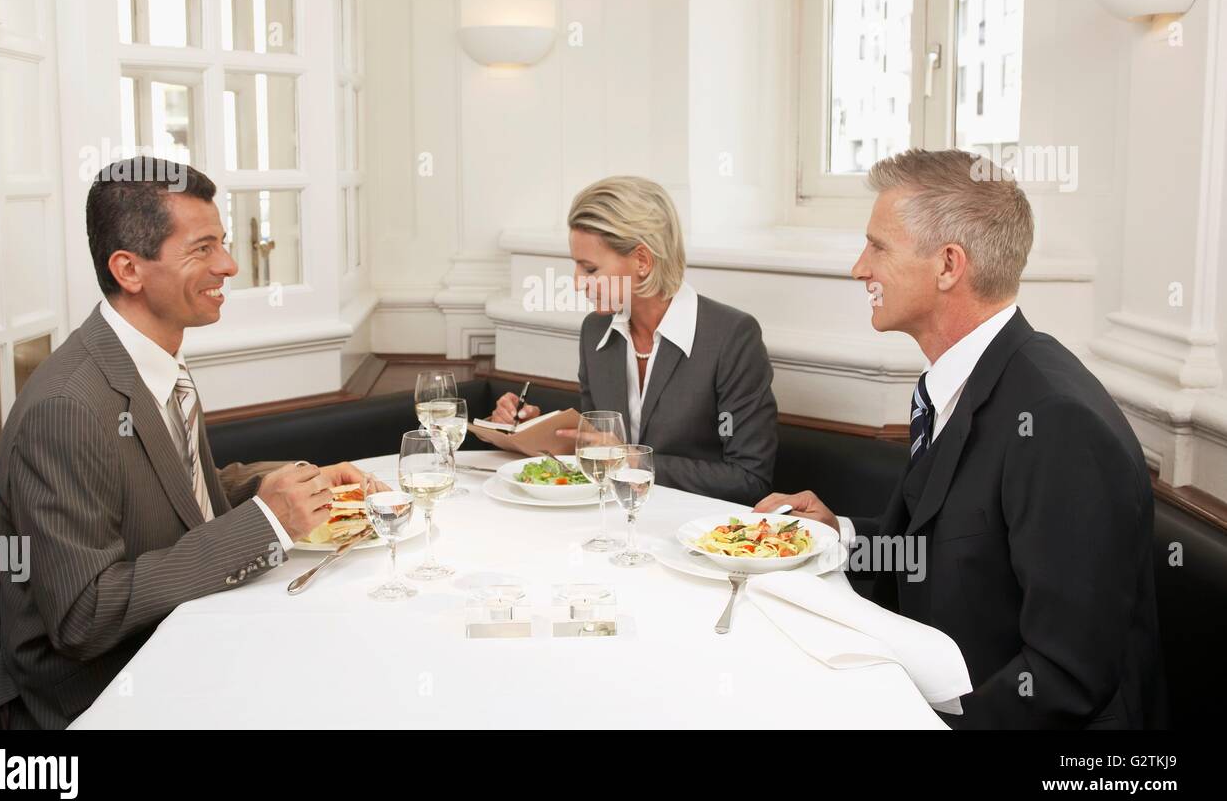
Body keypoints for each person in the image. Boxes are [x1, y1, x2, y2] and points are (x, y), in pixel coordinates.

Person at [756, 149, 1166, 728]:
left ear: (949, 265)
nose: (858, 268)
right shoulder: (962, 378)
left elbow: (1067, 678)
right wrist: (839, 534)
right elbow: (945, 553)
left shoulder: (1058, 423)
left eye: (878, 246)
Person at [0, 158, 380, 729]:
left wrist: (287, 483)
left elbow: (176, 491)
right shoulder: (67, 409)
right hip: (94, 699)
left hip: (189, 637)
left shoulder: (156, 362)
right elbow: (84, 617)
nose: (229, 264)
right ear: (129, 270)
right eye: (202, 249)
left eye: (221, 243)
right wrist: (267, 524)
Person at [492, 176, 777, 504]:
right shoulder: (595, 332)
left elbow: (750, 480)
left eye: (589, 269)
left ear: (642, 260)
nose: (577, 283)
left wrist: (632, 460)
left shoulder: (731, 337)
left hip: (696, 533)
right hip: (612, 521)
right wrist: (537, 428)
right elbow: (599, 446)